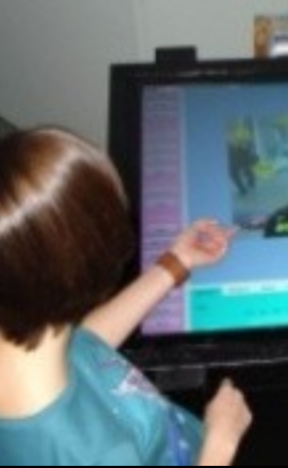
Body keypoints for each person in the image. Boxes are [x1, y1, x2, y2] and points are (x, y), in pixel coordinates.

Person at [0, 127, 252, 465]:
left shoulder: (25, 334)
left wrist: (176, 263)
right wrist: (219, 445)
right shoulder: (95, 454)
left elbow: (85, 344)